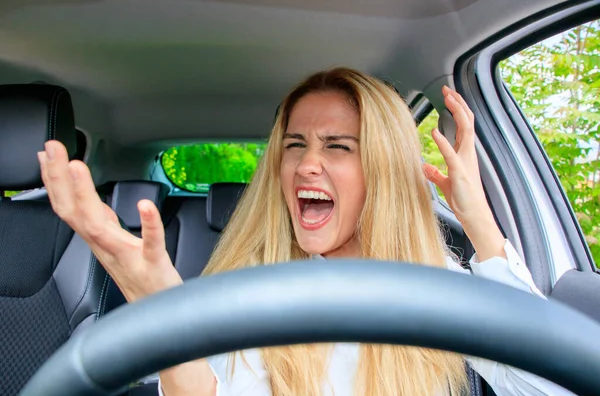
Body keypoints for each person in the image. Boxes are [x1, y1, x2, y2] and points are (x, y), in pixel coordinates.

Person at [38, 67, 573, 396]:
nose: (306, 165)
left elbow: (554, 386)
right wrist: (158, 307)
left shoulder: (440, 285)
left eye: (337, 146)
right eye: (295, 145)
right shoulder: (250, 290)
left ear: (383, 169)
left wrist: (479, 221)